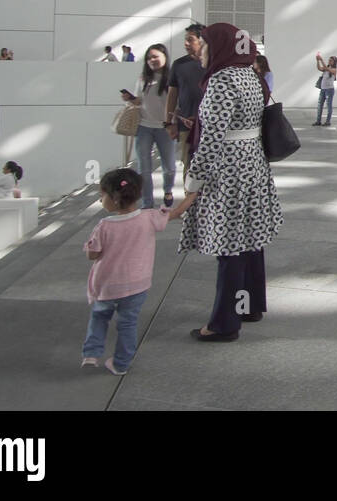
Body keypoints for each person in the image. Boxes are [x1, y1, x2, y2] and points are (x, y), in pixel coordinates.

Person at [171, 22, 283, 342]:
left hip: (229, 171)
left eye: (204, 46)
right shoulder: (250, 75)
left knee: (229, 248)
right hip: (253, 166)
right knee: (249, 242)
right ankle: (249, 306)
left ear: (219, 47)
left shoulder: (221, 80)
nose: (200, 53)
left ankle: (224, 323)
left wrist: (193, 183)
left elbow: (211, 140)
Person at [81, 168, 169, 375]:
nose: (101, 199)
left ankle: (91, 353)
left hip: (107, 286)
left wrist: (88, 246)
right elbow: (171, 215)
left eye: (101, 195)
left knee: (99, 317)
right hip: (138, 286)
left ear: (113, 198)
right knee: (128, 324)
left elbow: (93, 255)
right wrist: (190, 196)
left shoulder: (104, 225)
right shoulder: (149, 217)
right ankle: (121, 364)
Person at [121, 44, 175, 208]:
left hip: (165, 127)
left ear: (165, 57)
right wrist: (130, 98)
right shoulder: (143, 78)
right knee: (143, 168)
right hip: (144, 127)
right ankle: (147, 203)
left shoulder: (172, 77)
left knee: (170, 167)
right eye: (149, 58)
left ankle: (168, 190)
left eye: (155, 57)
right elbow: (139, 101)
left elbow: (176, 101)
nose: (152, 60)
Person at [166, 23, 206, 182]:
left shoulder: (214, 65)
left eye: (190, 40)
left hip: (210, 126)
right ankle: (190, 203)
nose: (186, 44)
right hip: (186, 126)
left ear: (202, 40)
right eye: (185, 40)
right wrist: (168, 122)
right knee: (189, 165)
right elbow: (172, 94)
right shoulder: (179, 65)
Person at [313, 53, 337, 126]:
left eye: (331, 61)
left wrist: (321, 60)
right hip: (323, 90)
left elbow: (326, 69)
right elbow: (319, 68)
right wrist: (318, 61)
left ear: (334, 62)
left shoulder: (334, 69)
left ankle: (328, 121)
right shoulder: (326, 68)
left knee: (329, 106)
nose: (329, 62)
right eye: (329, 60)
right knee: (320, 105)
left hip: (329, 90)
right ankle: (318, 121)